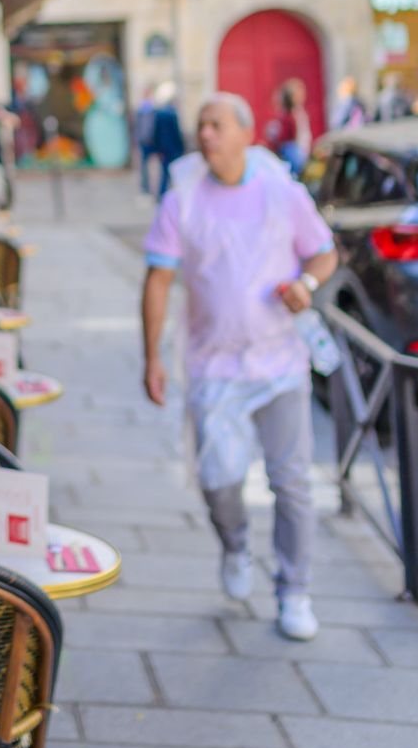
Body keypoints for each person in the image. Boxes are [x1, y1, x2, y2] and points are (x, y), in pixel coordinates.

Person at [140, 92, 338, 643]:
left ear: (245, 133)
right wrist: (152, 355)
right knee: (218, 480)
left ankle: (294, 589)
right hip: (213, 365)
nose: (205, 135)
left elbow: (324, 252)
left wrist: (307, 284)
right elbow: (157, 280)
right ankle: (234, 544)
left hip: (280, 361)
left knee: (292, 482)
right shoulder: (181, 199)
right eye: (201, 125)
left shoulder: (282, 192)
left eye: (217, 125)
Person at [264, 77, 311, 177]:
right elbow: (283, 136)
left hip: (300, 150)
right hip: (292, 152)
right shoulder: (287, 116)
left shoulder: (298, 112)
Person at [149, 81, 185, 196]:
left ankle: (162, 194)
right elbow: (176, 133)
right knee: (175, 173)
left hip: (164, 149)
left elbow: (155, 133)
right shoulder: (172, 114)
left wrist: (157, 148)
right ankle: (173, 194)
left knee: (165, 173)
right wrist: (181, 147)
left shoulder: (159, 114)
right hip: (173, 149)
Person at [134, 85, 158, 194]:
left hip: (150, 140)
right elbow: (137, 126)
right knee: (145, 165)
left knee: (151, 165)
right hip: (144, 140)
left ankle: (150, 186)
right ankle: (145, 186)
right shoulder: (142, 109)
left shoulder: (152, 109)